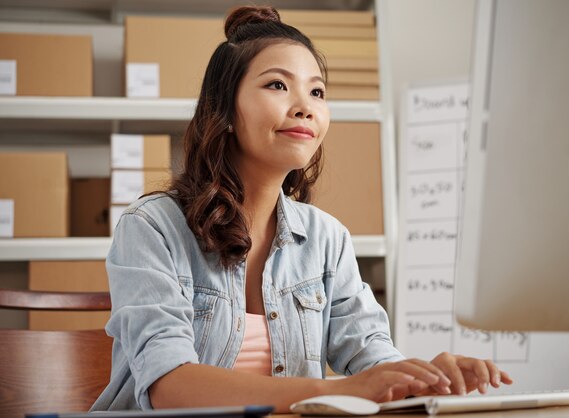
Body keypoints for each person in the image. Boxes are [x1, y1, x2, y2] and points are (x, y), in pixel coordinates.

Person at [91, 6, 512, 413]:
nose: (305, 105)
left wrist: (422, 378)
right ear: (226, 111)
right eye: (277, 85)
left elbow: (370, 354)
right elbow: (168, 385)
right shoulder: (151, 228)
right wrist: (336, 390)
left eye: (317, 91)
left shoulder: (328, 239)